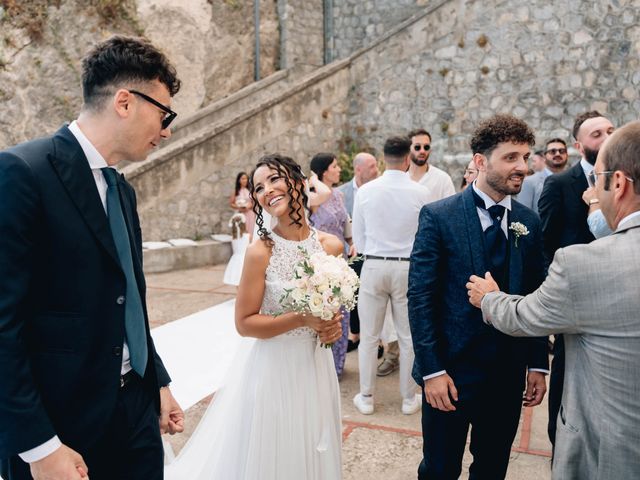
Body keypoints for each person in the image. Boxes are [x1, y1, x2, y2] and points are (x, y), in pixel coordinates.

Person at [0, 35, 183, 480]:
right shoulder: (22, 172)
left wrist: (156, 380)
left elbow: (130, 297)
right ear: (125, 102)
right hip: (62, 427)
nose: (167, 130)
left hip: (136, 414)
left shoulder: (123, 190)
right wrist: (39, 447)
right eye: (164, 113)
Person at [467, 120, 640, 479]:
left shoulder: (581, 263)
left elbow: (527, 314)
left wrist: (489, 298)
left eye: (599, 182)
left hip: (612, 452)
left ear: (618, 184)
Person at [165, 153, 344, 479]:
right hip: (273, 368)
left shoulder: (331, 247)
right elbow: (244, 323)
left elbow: (329, 311)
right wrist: (301, 318)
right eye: (259, 186)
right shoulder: (260, 251)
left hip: (315, 367)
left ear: (299, 182)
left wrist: (330, 328)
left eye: (274, 179)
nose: (266, 190)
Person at [408, 114, 548, 480]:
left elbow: (535, 294)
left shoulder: (529, 222)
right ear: (481, 161)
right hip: (450, 375)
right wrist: (432, 371)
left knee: (492, 468)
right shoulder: (439, 216)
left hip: (507, 374)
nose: (522, 167)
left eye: (526, 157)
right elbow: (420, 297)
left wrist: (537, 363)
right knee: (439, 469)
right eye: (511, 157)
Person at [538, 111, 614, 450]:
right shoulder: (559, 184)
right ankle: (561, 448)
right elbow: (546, 243)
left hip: (619, 294)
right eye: (597, 133)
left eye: (611, 130)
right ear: (579, 145)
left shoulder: (626, 178)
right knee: (568, 376)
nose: (607, 137)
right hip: (576, 299)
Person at [351, 136, 434, 416]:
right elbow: (425, 235)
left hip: (374, 264)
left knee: (369, 337)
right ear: (408, 158)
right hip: (406, 267)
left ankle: (366, 396)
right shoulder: (420, 192)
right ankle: (409, 399)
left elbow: (358, 239)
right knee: (408, 336)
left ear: (384, 158)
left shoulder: (366, 191)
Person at [378, 128, 457, 378]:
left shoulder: (441, 179)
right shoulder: (390, 179)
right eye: (417, 147)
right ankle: (392, 353)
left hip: (430, 254)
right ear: (408, 151)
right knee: (391, 312)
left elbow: (451, 215)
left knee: (426, 306)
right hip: (396, 252)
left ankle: (426, 360)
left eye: (426, 147)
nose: (422, 151)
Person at [310, 152, 354, 378]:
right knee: (322, 311)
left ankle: (337, 364)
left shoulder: (338, 195)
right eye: (335, 166)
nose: (339, 170)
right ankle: (319, 365)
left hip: (340, 261)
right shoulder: (314, 195)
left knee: (341, 313)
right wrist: (312, 178)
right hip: (318, 262)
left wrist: (351, 242)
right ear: (324, 171)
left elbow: (345, 223)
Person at [336, 152, 379, 352]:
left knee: (371, 297)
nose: (376, 170)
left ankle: (374, 340)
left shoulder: (379, 191)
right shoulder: (342, 192)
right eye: (372, 166)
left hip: (372, 252)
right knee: (350, 295)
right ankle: (354, 334)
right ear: (358, 169)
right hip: (347, 252)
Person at [516, 138, 569, 213]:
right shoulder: (529, 182)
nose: (557, 154)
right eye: (552, 151)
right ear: (544, 157)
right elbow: (522, 214)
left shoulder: (573, 181)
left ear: (567, 155)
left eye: (562, 151)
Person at [229, 171, 256, 240]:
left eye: (246, 178)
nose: (244, 180)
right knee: (242, 232)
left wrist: (249, 206)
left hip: (250, 214)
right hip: (240, 214)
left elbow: (254, 202)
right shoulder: (236, 191)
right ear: (239, 180)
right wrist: (239, 207)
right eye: (242, 179)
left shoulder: (250, 190)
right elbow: (231, 203)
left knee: (251, 231)